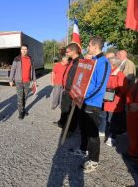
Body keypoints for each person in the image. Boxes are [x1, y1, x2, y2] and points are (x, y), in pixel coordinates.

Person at [75, 36, 111, 173]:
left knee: (92, 134)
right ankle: (83, 150)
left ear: (95, 46)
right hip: (83, 101)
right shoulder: (93, 61)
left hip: (92, 103)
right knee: (83, 128)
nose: (87, 48)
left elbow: (100, 86)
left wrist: (84, 96)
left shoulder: (103, 62)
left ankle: (94, 161)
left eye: (89, 46)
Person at [53, 43, 81, 133]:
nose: (66, 53)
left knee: (71, 112)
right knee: (64, 109)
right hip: (66, 89)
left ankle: (70, 130)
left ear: (73, 51)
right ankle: (62, 123)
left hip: (71, 91)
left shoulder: (79, 62)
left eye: (68, 52)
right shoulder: (71, 60)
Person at [103, 57, 128, 146]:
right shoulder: (109, 73)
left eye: (108, 63)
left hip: (114, 102)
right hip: (107, 100)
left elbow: (123, 89)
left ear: (112, 65)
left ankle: (112, 137)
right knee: (108, 119)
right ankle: (107, 133)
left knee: (112, 120)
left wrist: (113, 92)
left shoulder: (120, 75)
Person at [9, 44, 37, 119]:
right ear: (20, 50)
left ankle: (23, 109)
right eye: (22, 49)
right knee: (20, 97)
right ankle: (21, 112)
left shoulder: (30, 59)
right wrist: (11, 80)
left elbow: (33, 70)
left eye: (25, 49)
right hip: (19, 81)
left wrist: (34, 80)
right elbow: (13, 69)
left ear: (27, 50)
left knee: (25, 97)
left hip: (27, 81)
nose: (24, 51)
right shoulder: (17, 58)